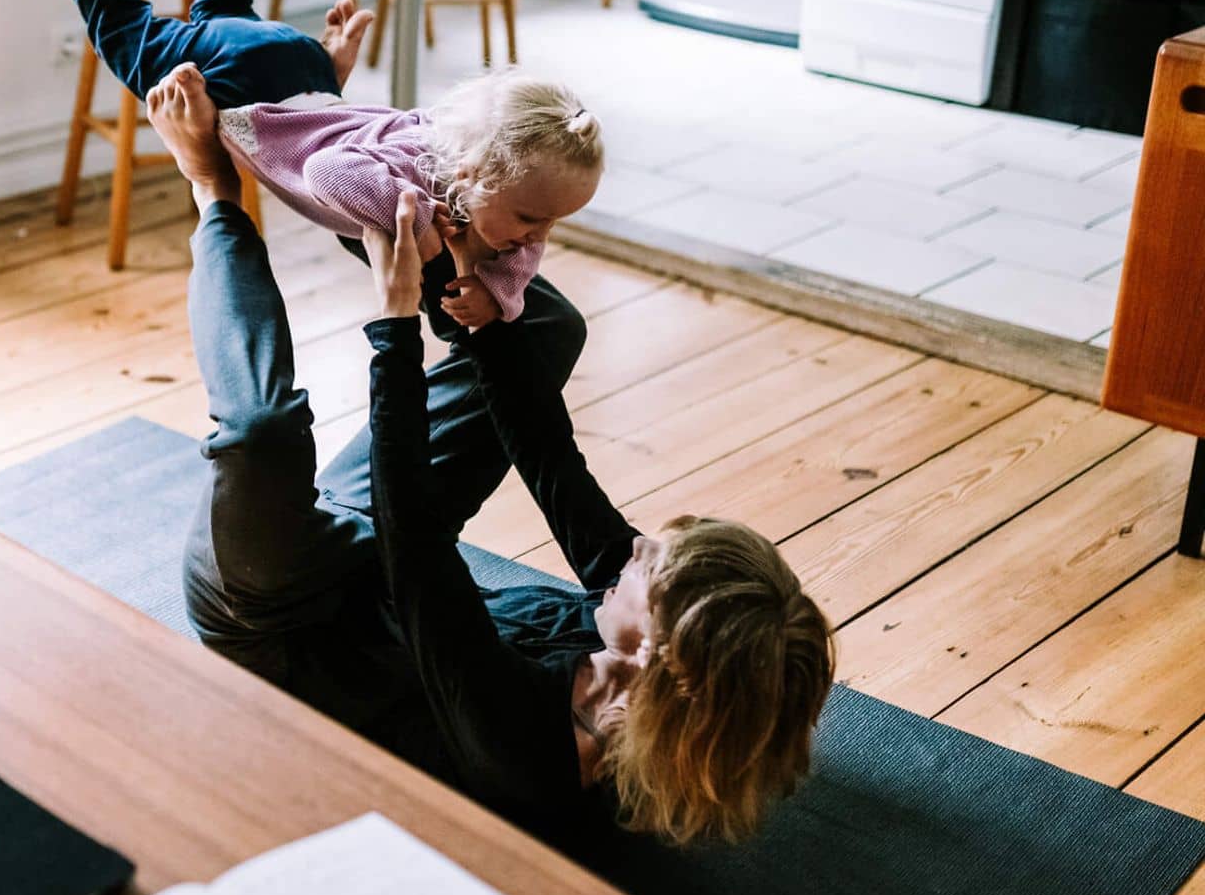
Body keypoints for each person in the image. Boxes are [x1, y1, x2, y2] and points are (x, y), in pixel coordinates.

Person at [141, 63, 835, 845]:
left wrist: (396, 324)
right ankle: (369, 165)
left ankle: (212, 189)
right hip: (380, 549)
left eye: (646, 566)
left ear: (657, 652)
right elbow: (550, 459)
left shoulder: (522, 744)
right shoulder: (657, 662)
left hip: (279, 608)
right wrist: (481, 315)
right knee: (541, 329)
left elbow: (418, 539)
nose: (632, 549)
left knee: (265, 434)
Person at [0, 0, 599, 340]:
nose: (536, 238)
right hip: (244, 90)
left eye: (547, 224)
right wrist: (419, 230)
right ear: (471, 178)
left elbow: (518, 261)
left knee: (222, 12)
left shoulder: (498, 190)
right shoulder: (420, 185)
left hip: (300, 68)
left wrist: (501, 300)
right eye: (529, 219)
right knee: (122, 28)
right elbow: (329, 173)